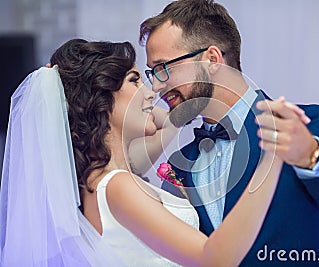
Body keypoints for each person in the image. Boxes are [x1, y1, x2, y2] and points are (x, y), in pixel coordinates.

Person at [0, 38, 289, 266]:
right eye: (135, 80)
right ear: (101, 98)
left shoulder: (105, 183)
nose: (152, 92)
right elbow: (215, 259)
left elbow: (169, 120)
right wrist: (272, 157)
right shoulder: (117, 186)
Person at [139, 0, 319, 266]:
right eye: (153, 73)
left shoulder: (304, 125)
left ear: (212, 59)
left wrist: (311, 156)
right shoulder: (181, 164)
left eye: (163, 68)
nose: (157, 86)